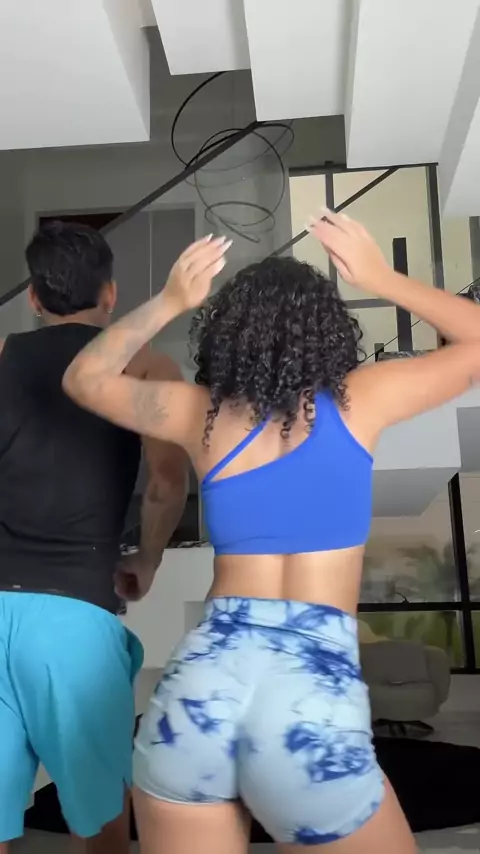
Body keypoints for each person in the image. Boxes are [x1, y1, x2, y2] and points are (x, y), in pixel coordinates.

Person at [62, 212, 480, 854]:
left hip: (199, 693)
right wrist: (380, 277)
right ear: (329, 332)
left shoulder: (202, 415)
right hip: (308, 694)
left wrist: (170, 301)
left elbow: (83, 380)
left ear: (226, 335)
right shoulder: (363, 400)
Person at [0, 221, 188, 853]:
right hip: (75, 615)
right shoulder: (146, 366)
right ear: (110, 295)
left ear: (34, 297)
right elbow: (166, 483)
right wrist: (148, 558)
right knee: (103, 820)